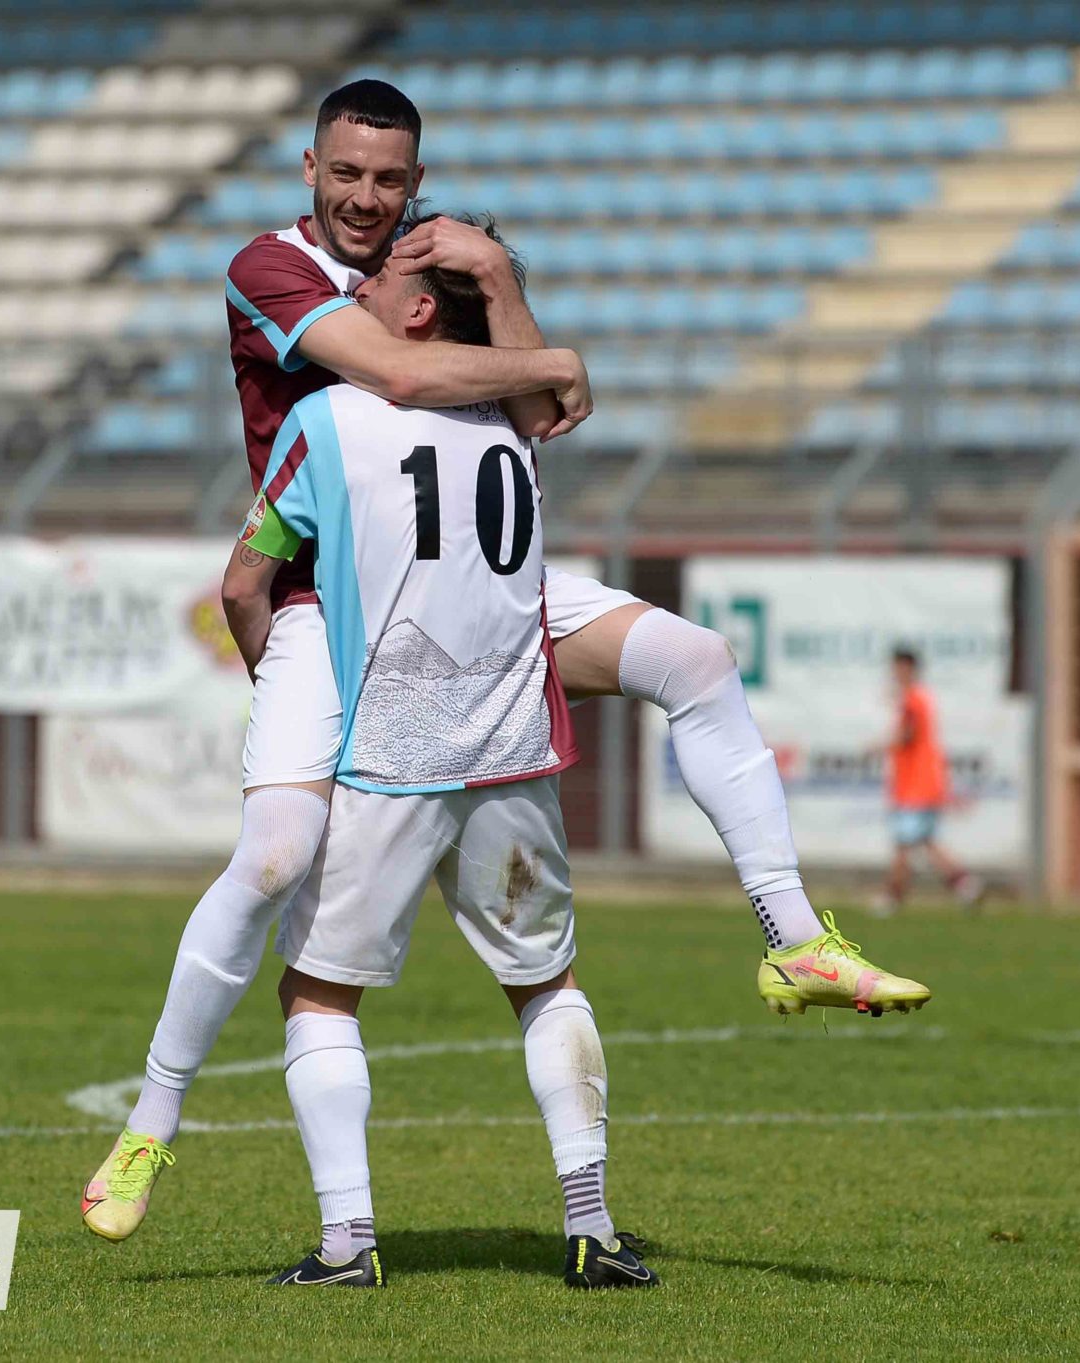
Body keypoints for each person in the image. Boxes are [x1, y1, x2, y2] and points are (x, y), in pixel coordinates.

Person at [78, 81, 930, 1248]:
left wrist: (499, 281)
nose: (365, 199)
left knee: (695, 657)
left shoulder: (438, 269)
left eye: (388, 180)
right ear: (309, 170)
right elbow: (415, 376)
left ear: (415, 184)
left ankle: (792, 936)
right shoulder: (269, 268)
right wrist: (550, 351)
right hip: (331, 597)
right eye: (345, 173)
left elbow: (534, 417)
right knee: (274, 851)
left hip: (473, 585)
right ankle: (151, 1121)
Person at [231, 250, 649, 1287]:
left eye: (375, 285)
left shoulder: (325, 419)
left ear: (417, 312)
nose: (353, 292)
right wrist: (507, 292)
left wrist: (275, 681)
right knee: (545, 982)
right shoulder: (513, 428)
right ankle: (593, 1228)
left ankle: (347, 1243)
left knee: (318, 993)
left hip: (389, 749)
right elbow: (533, 391)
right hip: (510, 748)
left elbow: (244, 584)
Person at [876, 647, 983, 914]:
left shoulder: (912, 700)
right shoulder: (918, 698)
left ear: (910, 669)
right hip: (922, 784)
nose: (896, 673)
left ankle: (892, 897)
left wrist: (881, 746)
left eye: (900, 668)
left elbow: (908, 735)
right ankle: (965, 885)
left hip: (915, 786)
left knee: (903, 845)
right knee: (926, 840)